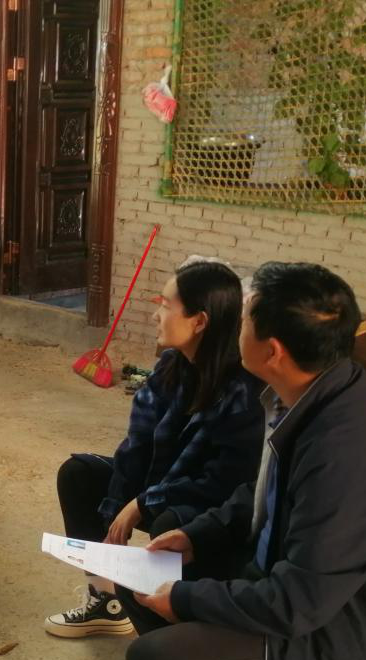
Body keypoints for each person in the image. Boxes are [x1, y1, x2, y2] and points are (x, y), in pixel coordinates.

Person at [127, 262, 366, 660]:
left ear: (272, 351)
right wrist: (197, 535)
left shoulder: (347, 448)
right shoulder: (312, 394)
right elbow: (263, 491)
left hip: (352, 646)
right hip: (301, 592)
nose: (236, 326)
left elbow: (299, 602)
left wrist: (185, 599)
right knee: (146, 574)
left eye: (245, 319)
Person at [45, 261, 264, 638]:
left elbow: (219, 485)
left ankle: (168, 637)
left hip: (212, 509)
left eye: (165, 305)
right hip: (163, 487)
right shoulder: (171, 365)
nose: (155, 315)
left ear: (199, 321)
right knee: (78, 474)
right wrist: (117, 508)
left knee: (169, 523)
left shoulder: (242, 392)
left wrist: (143, 504)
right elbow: (136, 446)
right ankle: (107, 603)